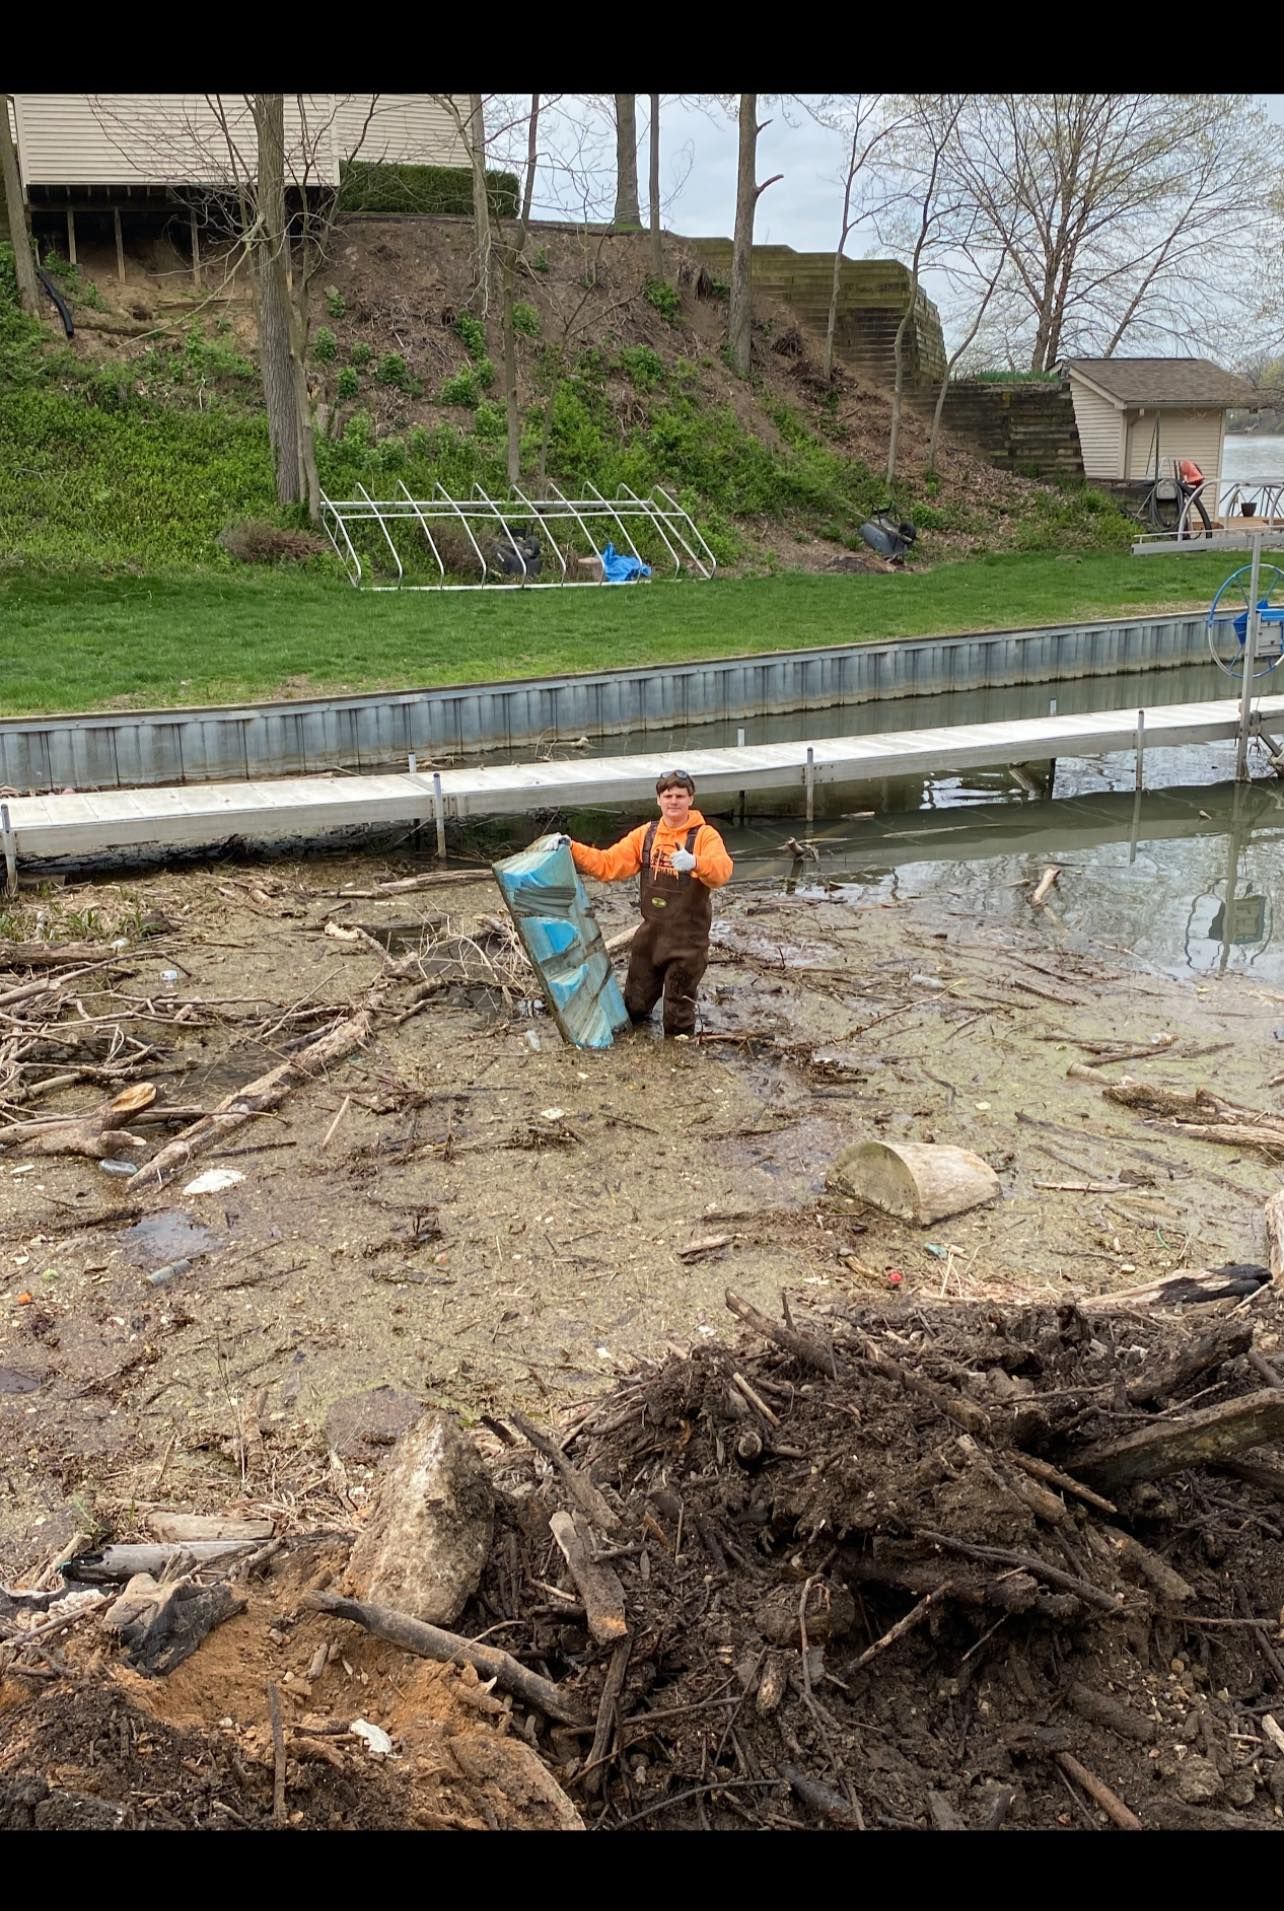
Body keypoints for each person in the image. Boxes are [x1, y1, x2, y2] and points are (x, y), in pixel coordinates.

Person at [561, 769, 733, 1039]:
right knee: (634, 1007)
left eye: (679, 796)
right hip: (650, 938)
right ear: (658, 800)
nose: (673, 801)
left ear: (691, 799)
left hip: (687, 944)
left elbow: (723, 871)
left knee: (677, 1019)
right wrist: (572, 848)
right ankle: (635, 1049)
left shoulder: (704, 836)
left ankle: (676, 1063)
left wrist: (696, 862)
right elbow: (608, 865)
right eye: (668, 796)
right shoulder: (646, 835)